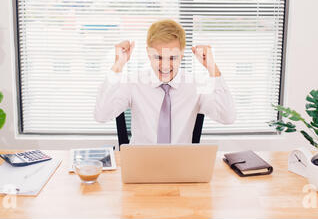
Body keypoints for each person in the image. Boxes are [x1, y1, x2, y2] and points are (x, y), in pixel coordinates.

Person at [94, 19, 236, 144]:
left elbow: (227, 117)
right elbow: (101, 116)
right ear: (149, 54)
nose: (166, 66)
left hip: (180, 166)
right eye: (159, 57)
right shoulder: (133, 82)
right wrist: (118, 65)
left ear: (182, 54)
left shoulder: (196, 85)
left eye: (173, 58)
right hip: (141, 164)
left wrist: (212, 68)